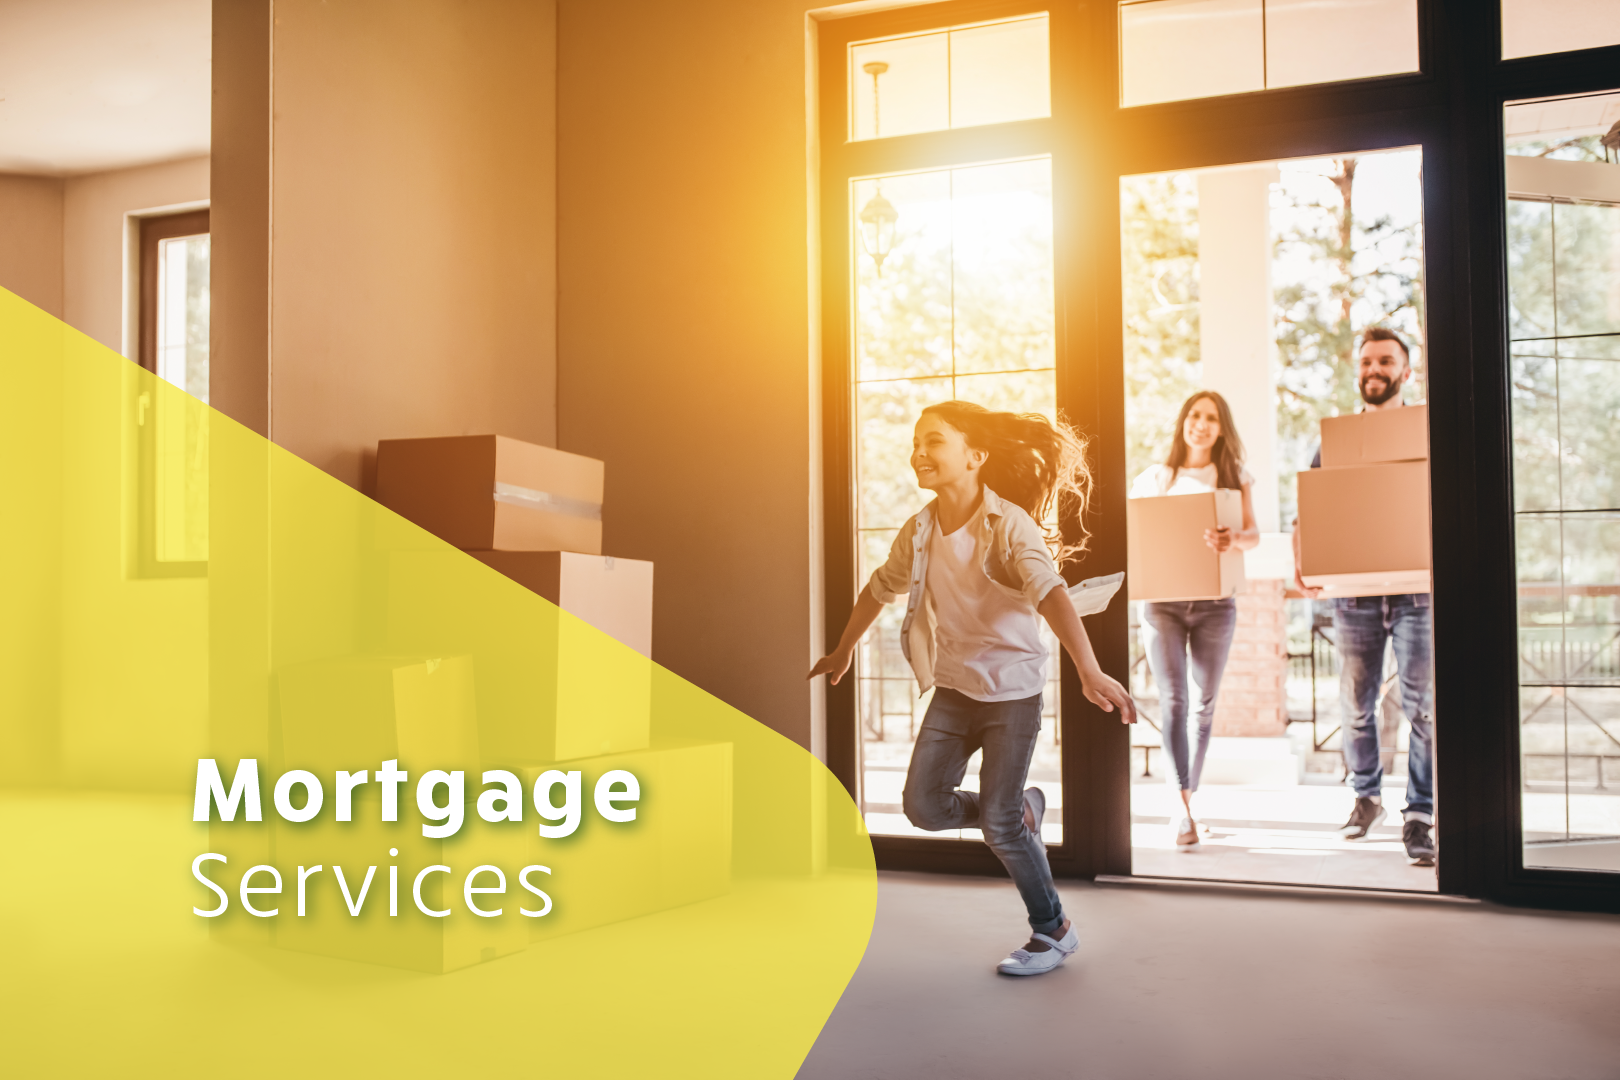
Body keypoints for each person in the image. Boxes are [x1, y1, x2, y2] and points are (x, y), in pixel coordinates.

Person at [809, 401, 1136, 977]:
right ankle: (1015, 811)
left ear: (975, 456)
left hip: (1013, 692)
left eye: (934, 441)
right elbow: (877, 588)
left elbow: (1052, 593)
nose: (920, 452)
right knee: (922, 807)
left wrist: (1087, 669)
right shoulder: (918, 530)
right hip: (956, 690)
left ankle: (1053, 929)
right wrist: (843, 649)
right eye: (916, 442)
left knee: (1000, 828)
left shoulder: (1009, 524)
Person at [1293, 327, 1437, 867]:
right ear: (1358, 371)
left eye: (1386, 361)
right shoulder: (1334, 441)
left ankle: (1420, 813)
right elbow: (1308, 509)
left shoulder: (1424, 433)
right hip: (1353, 596)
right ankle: (1366, 798)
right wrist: (1302, 562)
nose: (1374, 369)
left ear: (1405, 370)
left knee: (1423, 709)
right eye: (1367, 361)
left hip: (1416, 592)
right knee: (1356, 706)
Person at [1130, 391, 1259, 848]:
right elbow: (1137, 534)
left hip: (1215, 605)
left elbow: (1253, 535)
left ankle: (1187, 799)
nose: (1200, 424)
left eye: (1211, 418)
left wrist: (1233, 539)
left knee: (1203, 707)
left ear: (1221, 428)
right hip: (1162, 605)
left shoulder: (1233, 476)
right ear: (1183, 421)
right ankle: (1180, 808)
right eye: (1194, 415)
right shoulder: (1155, 478)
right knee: (1174, 702)